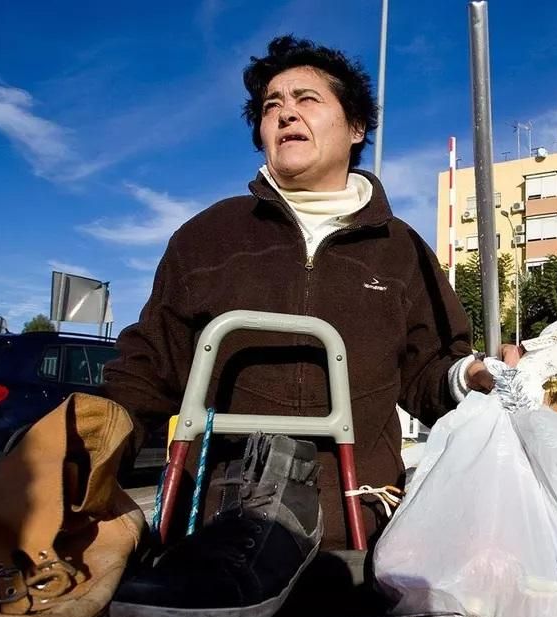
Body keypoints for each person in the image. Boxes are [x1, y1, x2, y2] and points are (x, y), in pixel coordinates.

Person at [102, 35, 518, 551]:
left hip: (361, 529)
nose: (284, 114)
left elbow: (429, 370)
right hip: (214, 531)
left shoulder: (401, 248)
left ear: (356, 127)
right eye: (271, 105)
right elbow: (149, 366)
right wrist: (86, 444)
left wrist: (470, 377)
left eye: (306, 99)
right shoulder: (208, 236)